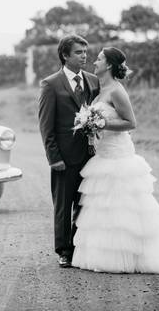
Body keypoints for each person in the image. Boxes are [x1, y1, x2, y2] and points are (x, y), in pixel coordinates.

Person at [71, 47, 159, 273]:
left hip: (118, 153)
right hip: (104, 153)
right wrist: (90, 126)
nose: (94, 62)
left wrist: (101, 124)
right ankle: (105, 255)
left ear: (108, 65)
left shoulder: (116, 90)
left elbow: (131, 122)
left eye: (98, 59)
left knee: (124, 203)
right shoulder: (100, 89)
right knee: (105, 203)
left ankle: (135, 255)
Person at [38, 34, 100, 268]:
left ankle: (80, 247)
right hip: (64, 157)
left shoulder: (94, 81)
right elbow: (46, 125)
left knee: (85, 204)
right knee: (64, 206)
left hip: (92, 156)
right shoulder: (51, 84)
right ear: (65, 55)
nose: (84, 56)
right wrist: (54, 158)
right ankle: (64, 250)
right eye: (78, 52)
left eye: (85, 52)